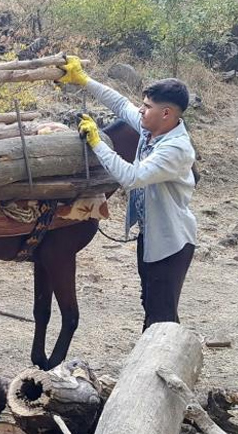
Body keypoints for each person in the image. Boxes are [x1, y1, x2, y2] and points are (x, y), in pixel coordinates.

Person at [58, 57, 197, 330]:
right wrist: (84, 80)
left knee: (162, 316)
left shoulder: (176, 149)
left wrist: (97, 142)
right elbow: (121, 105)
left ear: (166, 113)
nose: (141, 111)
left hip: (171, 243)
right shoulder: (152, 130)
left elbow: (131, 178)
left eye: (147, 107)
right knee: (150, 304)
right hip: (152, 236)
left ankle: (162, 366)